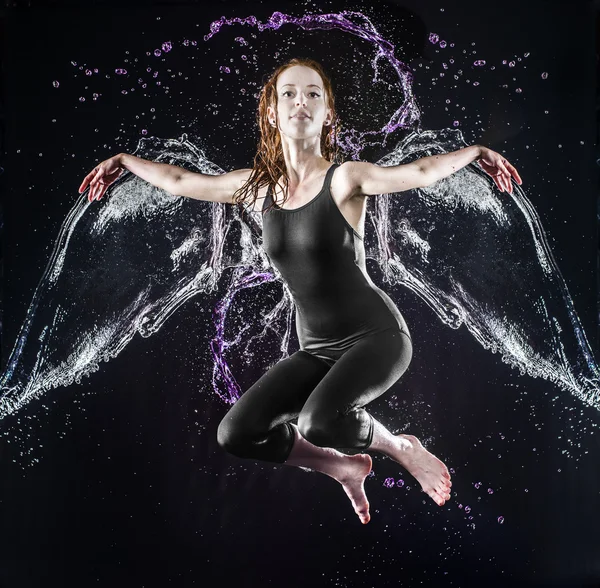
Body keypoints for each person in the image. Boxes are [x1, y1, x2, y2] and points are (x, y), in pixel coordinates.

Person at [79, 57, 522, 524]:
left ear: (328, 112)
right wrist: (125, 162)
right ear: (271, 112)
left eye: (313, 93)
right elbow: (180, 181)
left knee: (319, 421)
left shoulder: (347, 179)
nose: (300, 102)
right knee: (238, 432)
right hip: (316, 350)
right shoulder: (256, 188)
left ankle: (399, 447)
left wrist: (474, 152)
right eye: (288, 93)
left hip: (377, 337)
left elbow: (422, 171)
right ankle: (342, 466)